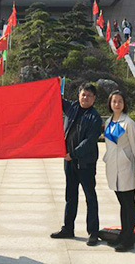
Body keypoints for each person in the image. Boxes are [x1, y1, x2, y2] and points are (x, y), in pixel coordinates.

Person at [51, 84, 102, 246]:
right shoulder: (72, 107)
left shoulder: (95, 117)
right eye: (83, 94)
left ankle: (93, 232)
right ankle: (68, 228)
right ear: (78, 95)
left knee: (90, 197)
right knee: (70, 196)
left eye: (89, 95)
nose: (85, 98)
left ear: (94, 99)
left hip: (85, 163)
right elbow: (55, 99)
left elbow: (89, 142)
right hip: (69, 163)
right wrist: (52, 85)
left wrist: (72, 154)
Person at [103, 91, 135, 253]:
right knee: (122, 203)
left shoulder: (129, 123)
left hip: (126, 167)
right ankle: (123, 234)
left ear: (124, 104)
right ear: (110, 103)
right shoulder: (108, 121)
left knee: (129, 203)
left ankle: (128, 239)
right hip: (112, 166)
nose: (117, 104)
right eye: (114, 101)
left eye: (120, 101)